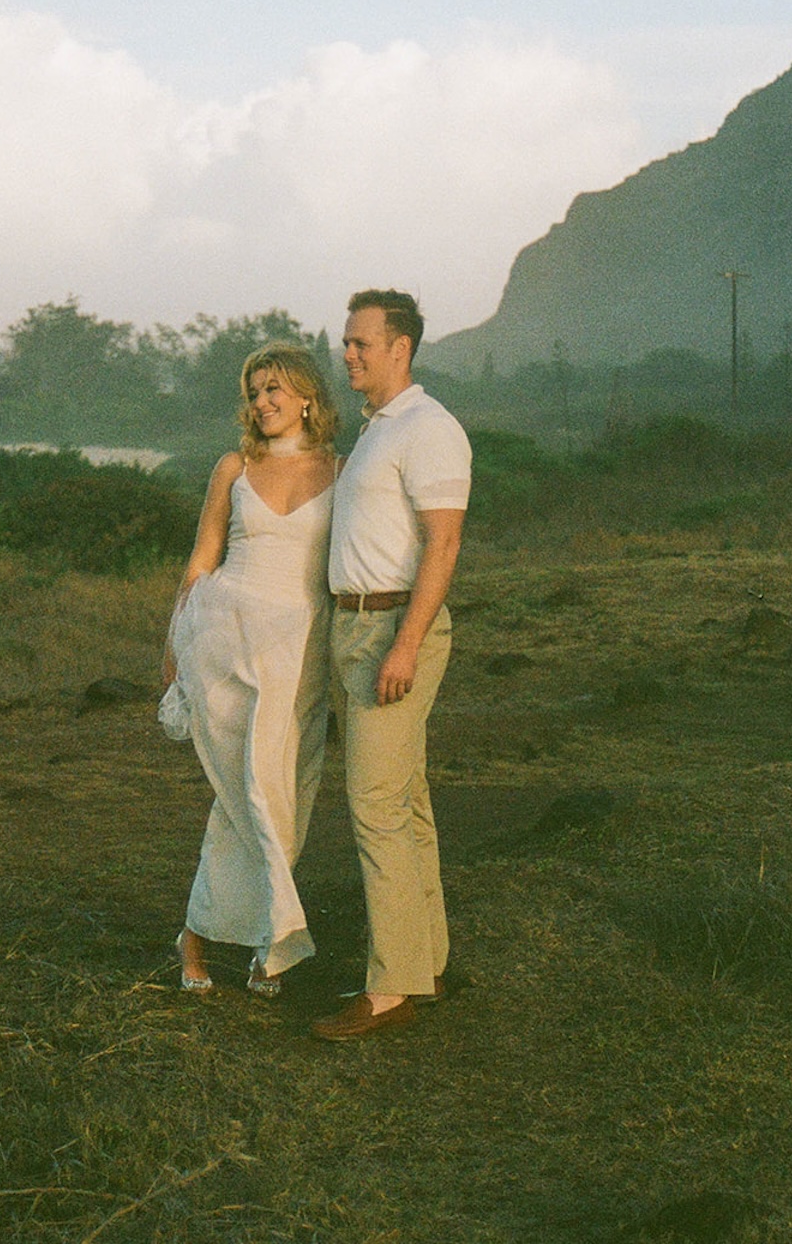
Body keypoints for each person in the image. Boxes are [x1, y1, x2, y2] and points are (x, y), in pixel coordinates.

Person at [311, 289, 471, 1041]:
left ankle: (389, 988)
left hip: (393, 629)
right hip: (354, 625)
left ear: (399, 347)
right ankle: (425, 962)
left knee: (374, 804)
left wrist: (404, 644)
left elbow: (444, 543)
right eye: (346, 341)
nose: (347, 353)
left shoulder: (429, 427)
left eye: (360, 343)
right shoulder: (379, 428)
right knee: (404, 800)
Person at [164, 342, 340, 996]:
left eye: (274, 389)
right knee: (247, 792)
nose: (262, 402)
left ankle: (224, 935)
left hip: (300, 649)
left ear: (307, 397)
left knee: (283, 792)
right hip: (225, 639)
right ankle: (259, 940)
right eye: (254, 391)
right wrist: (173, 645)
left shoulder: (342, 470)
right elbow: (201, 560)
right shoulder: (233, 467)